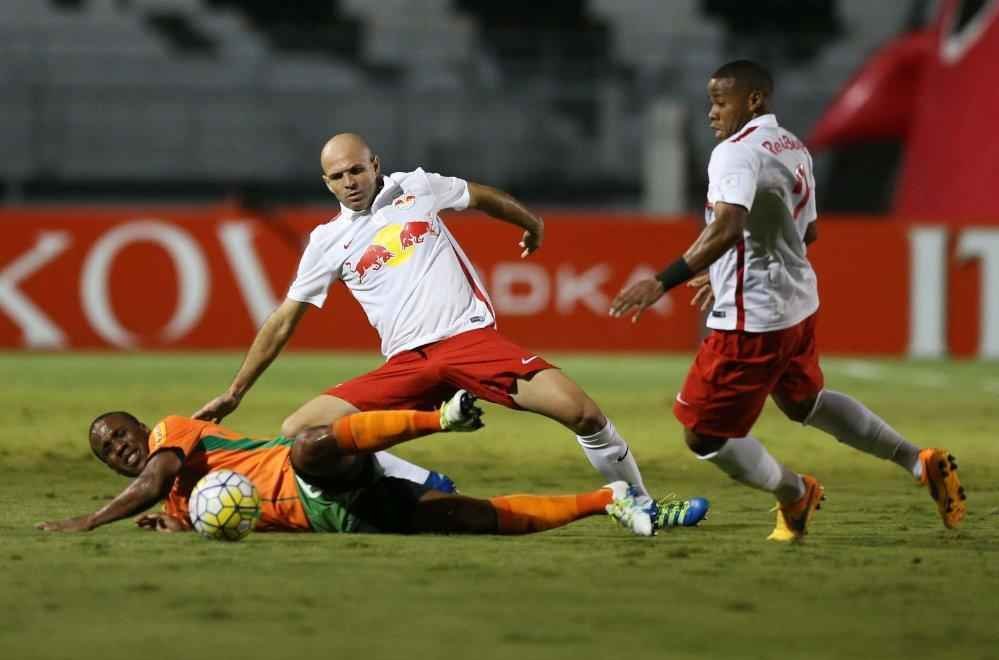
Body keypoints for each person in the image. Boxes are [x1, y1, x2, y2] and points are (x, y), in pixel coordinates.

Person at [192, 132, 709, 528]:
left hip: (470, 343)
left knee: (584, 414)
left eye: (356, 169)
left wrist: (530, 224)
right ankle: (394, 487)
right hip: (406, 365)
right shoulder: (326, 242)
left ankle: (643, 504)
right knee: (300, 430)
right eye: (337, 176)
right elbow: (284, 319)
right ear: (326, 183)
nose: (349, 181)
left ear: (375, 165)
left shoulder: (415, 187)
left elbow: (479, 196)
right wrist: (235, 392)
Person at [610, 60, 965, 541]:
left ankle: (795, 493)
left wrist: (662, 281)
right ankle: (918, 461)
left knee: (703, 434)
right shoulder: (791, 146)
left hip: (752, 319)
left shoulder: (734, 153)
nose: (712, 112)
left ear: (754, 99)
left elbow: (727, 227)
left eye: (720, 101)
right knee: (804, 403)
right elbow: (807, 230)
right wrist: (727, 269)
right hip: (795, 306)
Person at [36, 408, 674, 537]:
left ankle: (441, 417)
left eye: (119, 434)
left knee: (307, 446)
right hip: (338, 517)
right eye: (106, 449)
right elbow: (171, 504)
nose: (118, 447)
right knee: (471, 519)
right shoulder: (176, 504)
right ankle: (606, 497)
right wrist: (173, 525)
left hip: (317, 472)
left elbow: (151, 481)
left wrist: (87, 522)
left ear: (140, 428)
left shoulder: (171, 433)